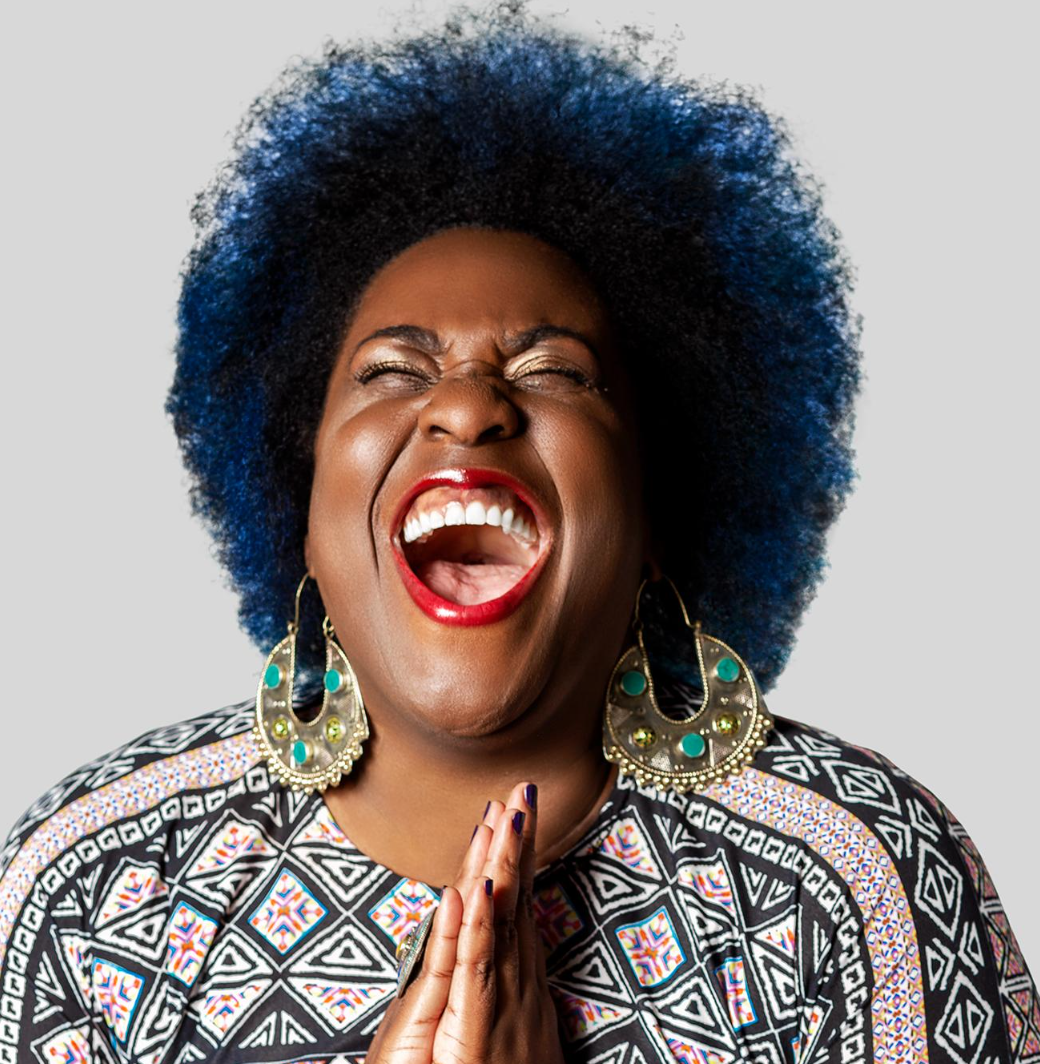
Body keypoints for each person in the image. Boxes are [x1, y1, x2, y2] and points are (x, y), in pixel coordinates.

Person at [1, 5, 1035, 1063]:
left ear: (652, 511)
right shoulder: (88, 892)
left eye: (553, 371)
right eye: (392, 370)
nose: (467, 406)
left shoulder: (862, 882)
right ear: (300, 508)